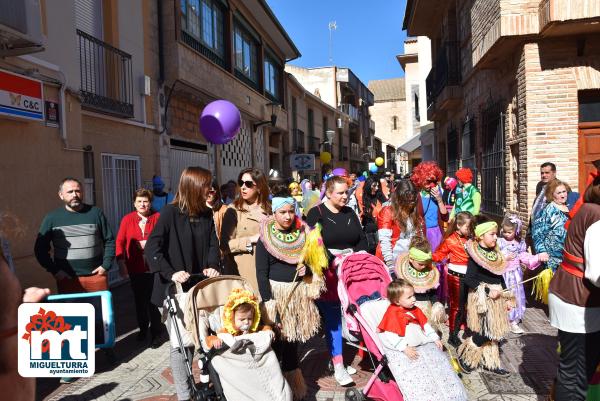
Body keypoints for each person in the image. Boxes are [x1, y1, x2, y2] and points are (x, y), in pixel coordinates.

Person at [145, 167, 221, 401]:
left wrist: (211, 264)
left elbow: (212, 245)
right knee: (182, 346)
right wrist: (171, 273)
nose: (210, 189)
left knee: (205, 340)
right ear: (193, 186)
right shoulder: (170, 213)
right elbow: (152, 249)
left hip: (198, 288)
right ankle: (184, 394)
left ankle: (214, 386)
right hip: (173, 291)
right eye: (206, 185)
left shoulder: (207, 214)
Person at [34, 177, 117, 381]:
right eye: (70, 192)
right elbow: (40, 249)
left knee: (103, 318)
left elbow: (109, 240)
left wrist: (105, 265)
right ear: (61, 195)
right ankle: (71, 367)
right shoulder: (52, 218)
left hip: (95, 276)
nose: (75, 195)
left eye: (78, 191)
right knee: (69, 322)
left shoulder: (95, 213)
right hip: (68, 279)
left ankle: (107, 349)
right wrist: (55, 271)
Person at [256, 184, 325, 400]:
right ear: (274, 213)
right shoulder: (264, 239)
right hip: (277, 297)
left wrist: (307, 270)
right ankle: (274, 388)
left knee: (292, 342)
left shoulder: (304, 234)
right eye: (282, 212)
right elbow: (261, 273)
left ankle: (293, 387)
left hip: (297, 296)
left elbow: (315, 264)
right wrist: (269, 303)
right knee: (277, 342)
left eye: (290, 211)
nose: (287, 216)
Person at [306, 175, 367, 386]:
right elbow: (315, 244)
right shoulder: (316, 213)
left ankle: (337, 358)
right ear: (329, 193)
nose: (344, 196)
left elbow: (361, 238)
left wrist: (357, 258)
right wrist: (334, 261)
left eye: (346, 192)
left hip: (350, 270)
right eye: (340, 193)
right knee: (333, 319)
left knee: (349, 315)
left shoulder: (350, 212)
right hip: (328, 273)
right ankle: (339, 365)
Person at [548, 175, 600, 401]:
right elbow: (597, 273)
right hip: (578, 303)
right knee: (576, 374)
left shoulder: (589, 209)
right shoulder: (597, 216)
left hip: (574, 298)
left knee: (575, 369)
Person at [377, 279, 468, 401]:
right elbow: (390, 334)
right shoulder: (393, 313)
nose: (414, 299)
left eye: (413, 295)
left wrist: (435, 338)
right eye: (409, 297)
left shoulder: (415, 309)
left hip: (419, 341)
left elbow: (425, 325)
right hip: (405, 345)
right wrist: (404, 348)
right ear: (397, 301)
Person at [457, 216, 514, 376]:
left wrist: (507, 296)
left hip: (497, 297)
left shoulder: (495, 253)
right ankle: (466, 355)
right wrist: (488, 291)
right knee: (488, 331)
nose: (496, 237)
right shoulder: (475, 254)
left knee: (496, 332)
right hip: (483, 297)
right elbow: (469, 279)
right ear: (481, 235)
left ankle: (491, 362)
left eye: (496, 234)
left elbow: (499, 274)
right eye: (492, 234)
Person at [115, 188, 163, 347]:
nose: (142, 204)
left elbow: (164, 239)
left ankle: (156, 333)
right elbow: (120, 242)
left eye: (145, 201)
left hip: (154, 268)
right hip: (135, 267)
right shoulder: (127, 219)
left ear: (150, 203)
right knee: (139, 301)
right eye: (139, 201)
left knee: (153, 302)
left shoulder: (157, 217)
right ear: (134, 203)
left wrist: (148, 245)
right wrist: (121, 263)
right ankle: (143, 329)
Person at [221, 168, 271, 293]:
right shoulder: (233, 210)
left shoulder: (271, 209)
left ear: (259, 187)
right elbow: (224, 245)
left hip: (269, 271)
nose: (243, 187)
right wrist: (250, 240)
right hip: (243, 275)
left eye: (248, 184)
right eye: (241, 182)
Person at [498, 214, 548, 334]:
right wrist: (504, 257)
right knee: (503, 296)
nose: (506, 234)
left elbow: (524, 256)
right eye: (504, 231)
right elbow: (494, 256)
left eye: (509, 232)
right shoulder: (499, 242)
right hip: (502, 275)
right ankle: (501, 318)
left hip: (515, 275)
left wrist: (537, 258)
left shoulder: (520, 244)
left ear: (516, 231)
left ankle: (513, 320)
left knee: (515, 297)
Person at [432, 211, 473, 347]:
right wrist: (426, 258)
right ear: (458, 226)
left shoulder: (471, 239)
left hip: (468, 277)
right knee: (456, 307)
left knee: (465, 306)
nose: (470, 230)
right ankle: (452, 336)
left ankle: (462, 329)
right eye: (467, 227)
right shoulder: (450, 240)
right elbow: (438, 255)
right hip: (456, 277)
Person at [395, 237, 445, 331]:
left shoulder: (430, 271)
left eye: (426, 263)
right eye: (420, 264)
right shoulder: (401, 272)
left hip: (426, 307)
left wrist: (435, 302)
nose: (423, 266)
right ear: (411, 259)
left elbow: (432, 291)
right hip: (409, 309)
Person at [376, 179, 425, 271]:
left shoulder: (414, 213)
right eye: (407, 200)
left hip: (410, 260)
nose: (411, 203)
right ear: (400, 198)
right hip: (392, 259)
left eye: (413, 200)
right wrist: (390, 265)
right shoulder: (388, 211)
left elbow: (419, 235)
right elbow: (385, 241)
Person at [532, 179, 570, 274]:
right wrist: (541, 251)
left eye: (564, 191)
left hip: (567, 255)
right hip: (552, 257)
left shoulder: (569, 207)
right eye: (559, 193)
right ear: (552, 194)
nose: (562, 195)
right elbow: (537, 232)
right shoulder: (549, 210)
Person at [362, 177, 387, 254]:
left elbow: (387, 207)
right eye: (374, 186)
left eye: (377, 186)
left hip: (380, 228)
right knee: (371, 250)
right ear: (368, 186)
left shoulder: (379, 195)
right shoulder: (362, 197)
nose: (376, 188)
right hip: (367, 229)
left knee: (380, 249)